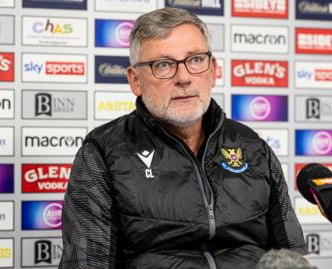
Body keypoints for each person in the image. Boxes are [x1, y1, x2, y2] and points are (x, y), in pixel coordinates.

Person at [59, 7, 306, 269]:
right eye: (163, 65)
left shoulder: (252, 146)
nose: (184, 77)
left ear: (213, 70)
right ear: (135, 81)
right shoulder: (103, 152)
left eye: (195, 60)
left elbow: (292, 257)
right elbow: (86, 264)